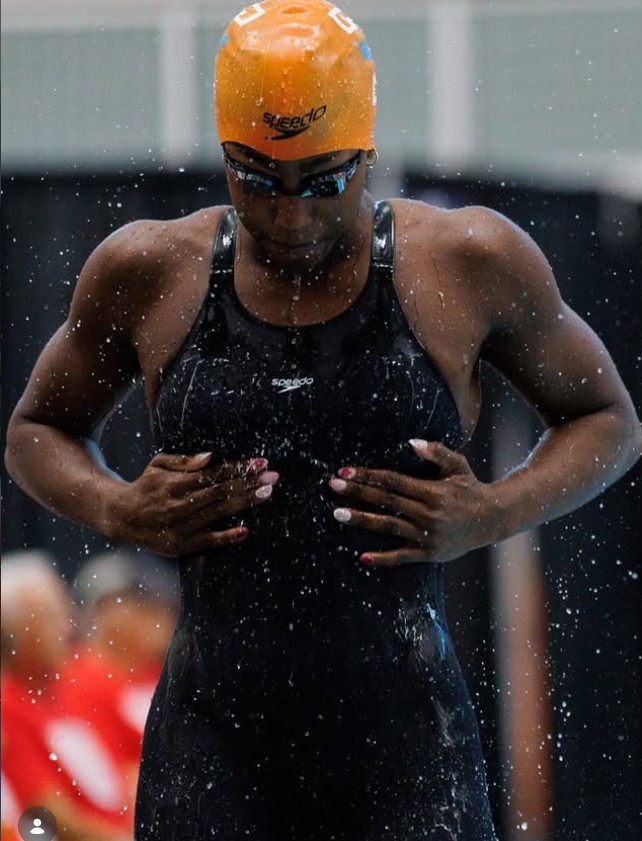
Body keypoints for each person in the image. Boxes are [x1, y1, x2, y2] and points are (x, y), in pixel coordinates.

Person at [4, 1, 640, 838]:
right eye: (259, 180)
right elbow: (34, 431)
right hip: (213, 743)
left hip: (407, 747)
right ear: (225, 158)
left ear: (366, 152)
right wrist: (117, 507)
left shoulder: (466, 262)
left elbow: (608, 417)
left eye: (324, 181)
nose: (291, 215)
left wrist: (493, 511)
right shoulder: (150, 270)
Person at [1, 551, 133, 840]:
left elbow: (126, 771)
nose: (67, 628)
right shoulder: (9, 705)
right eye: (49, 617)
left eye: (65, 612)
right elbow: (52, 819)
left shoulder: (77, 684)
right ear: (11, 631)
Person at [60, 549, 179, 803]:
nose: (162, 615)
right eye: (144, 605)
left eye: (164, 606)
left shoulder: (159, 673)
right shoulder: (80, 681)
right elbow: (113, 778)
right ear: (104, 609)